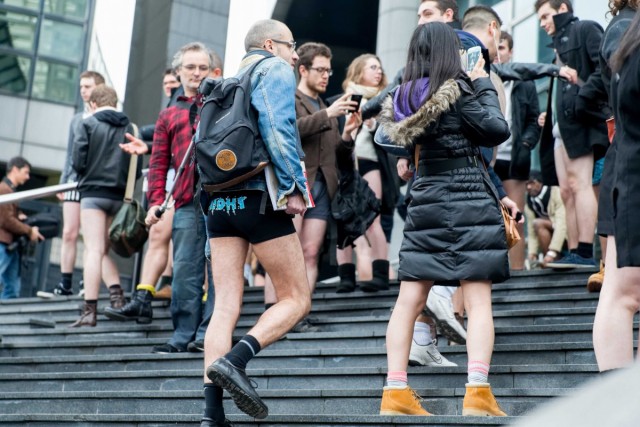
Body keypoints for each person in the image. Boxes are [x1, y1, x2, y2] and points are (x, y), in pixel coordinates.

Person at [199, 19, 339, 426]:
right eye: (291, 45)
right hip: (259, 195)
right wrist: (295, 186)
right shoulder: (273, 69)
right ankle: (238, 359)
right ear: (268, 44)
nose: (296, 55)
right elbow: (280, 130)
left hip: (219, 200)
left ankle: (212, 416)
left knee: (224, 305)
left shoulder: (224, 81)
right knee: (297, 298)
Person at [376, 21, 511, 417]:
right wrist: (483, 81)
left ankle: (395, 392)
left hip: (427, 199)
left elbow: (394, 141)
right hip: (468, 195)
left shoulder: (404, 95)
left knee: (408, 301)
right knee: (478, 298)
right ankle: (477, 393)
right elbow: (495, 130)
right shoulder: (461, 88)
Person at [105, 42, 220, 354]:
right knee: (184, 269)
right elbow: (158, 164)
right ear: (179, 72)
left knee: (219, 268)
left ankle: (209, 333)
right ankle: (183, 334)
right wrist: (157, 201)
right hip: (185, 200)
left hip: (221, 197)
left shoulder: (222, 101)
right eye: (191, 67)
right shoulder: (169, 114)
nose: (197, 73)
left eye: (202, 67)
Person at [535, 0, 609, 269]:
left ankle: (586, 252)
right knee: (566, 191)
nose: (542, 24)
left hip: (581, 121)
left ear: (562, 8)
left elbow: (604, 71)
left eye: (545, 16)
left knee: (580, 184)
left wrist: (581, 99)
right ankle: (575, 250)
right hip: (561, 127)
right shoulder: (557, 45)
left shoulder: (587, 29)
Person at [291, 42, 358, 330]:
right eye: (320, 70)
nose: (326, 76)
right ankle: (279, 311)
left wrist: (346, 135)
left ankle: (301, 312)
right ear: (302, 69)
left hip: (321, 187)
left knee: (310, 251)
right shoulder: (290, 98)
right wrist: (327, 115)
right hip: (294, 185)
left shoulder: (326, 108)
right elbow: (290, 130)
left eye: (329, 71)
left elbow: (337, 155)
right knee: (287, 251)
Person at [592, 7, 640, 374]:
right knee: (623, 290)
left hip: (628, 167)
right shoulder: (624, 29)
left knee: (621, 291)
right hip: (630, 169)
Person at [69, 85, 137, 327]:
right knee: (102, 250)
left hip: (93, 195)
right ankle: (117, 296)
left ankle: (89, 310)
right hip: (118, 197)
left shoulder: (86, 124)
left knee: (93, 250)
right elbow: (136, 169)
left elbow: (77, 162)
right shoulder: (130, 127)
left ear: (93, 104)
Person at [587, 0, 637, 293]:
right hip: (627, 142)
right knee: (620, 292)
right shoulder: (624, 25)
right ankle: (607, 264)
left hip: (625, 140)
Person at [55, 70, 120, 297]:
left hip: (99, 185)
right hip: (76, 182)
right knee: (70, 232)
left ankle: (89, 283)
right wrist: (65, 181)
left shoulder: (114, 119)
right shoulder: (77, 120)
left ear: (100, 90)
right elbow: (71, 156)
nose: (83, 90)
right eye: (81, 86)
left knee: (98, 243)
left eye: (88, 86)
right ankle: (65, 283)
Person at [336, 53, 393, 293]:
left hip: (370, 163)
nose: (378, 72)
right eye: (372, 67)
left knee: (373, 219)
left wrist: (374, 124)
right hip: (344, 165)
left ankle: (380, 274)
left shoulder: (386, 101)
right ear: (359, 71)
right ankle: (346, 278)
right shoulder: (340, 102)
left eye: (379, 68)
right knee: (343, 219)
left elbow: (393, 136)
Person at [493, 31, 542, 271]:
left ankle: (516, 273)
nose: (499, 52)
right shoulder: (481, 79)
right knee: (485, 221)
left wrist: (526, 144)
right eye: (496, 48)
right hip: (487, 160)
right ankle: (489, 274)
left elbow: (533, 119)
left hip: (514, 160)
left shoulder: (524, 82)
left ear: (510, 51)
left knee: (515, 220)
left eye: (502, 48)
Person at [0, 157, 44, 299]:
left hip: (9, 246)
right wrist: (29, 230)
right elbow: (6, 220)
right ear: (14, 169)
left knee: (12, 289)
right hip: (3, 244)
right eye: (25, 172)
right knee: (11, 288)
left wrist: (20, 216)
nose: (28, 177)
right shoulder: (4, 189)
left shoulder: (9, 190)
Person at [524, 171, 567, 267]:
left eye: (532, 183)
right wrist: (532, 253)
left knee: (538, 223)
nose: (529, 187)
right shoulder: (529, 203)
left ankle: (552, 256)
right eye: (526, 184)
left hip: (566, 233)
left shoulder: (555, 192)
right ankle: (551, 261)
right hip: (549, 231)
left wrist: (553, 251)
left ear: (540, 182)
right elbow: (531, 231)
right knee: (537, 225)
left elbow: (562, 223)